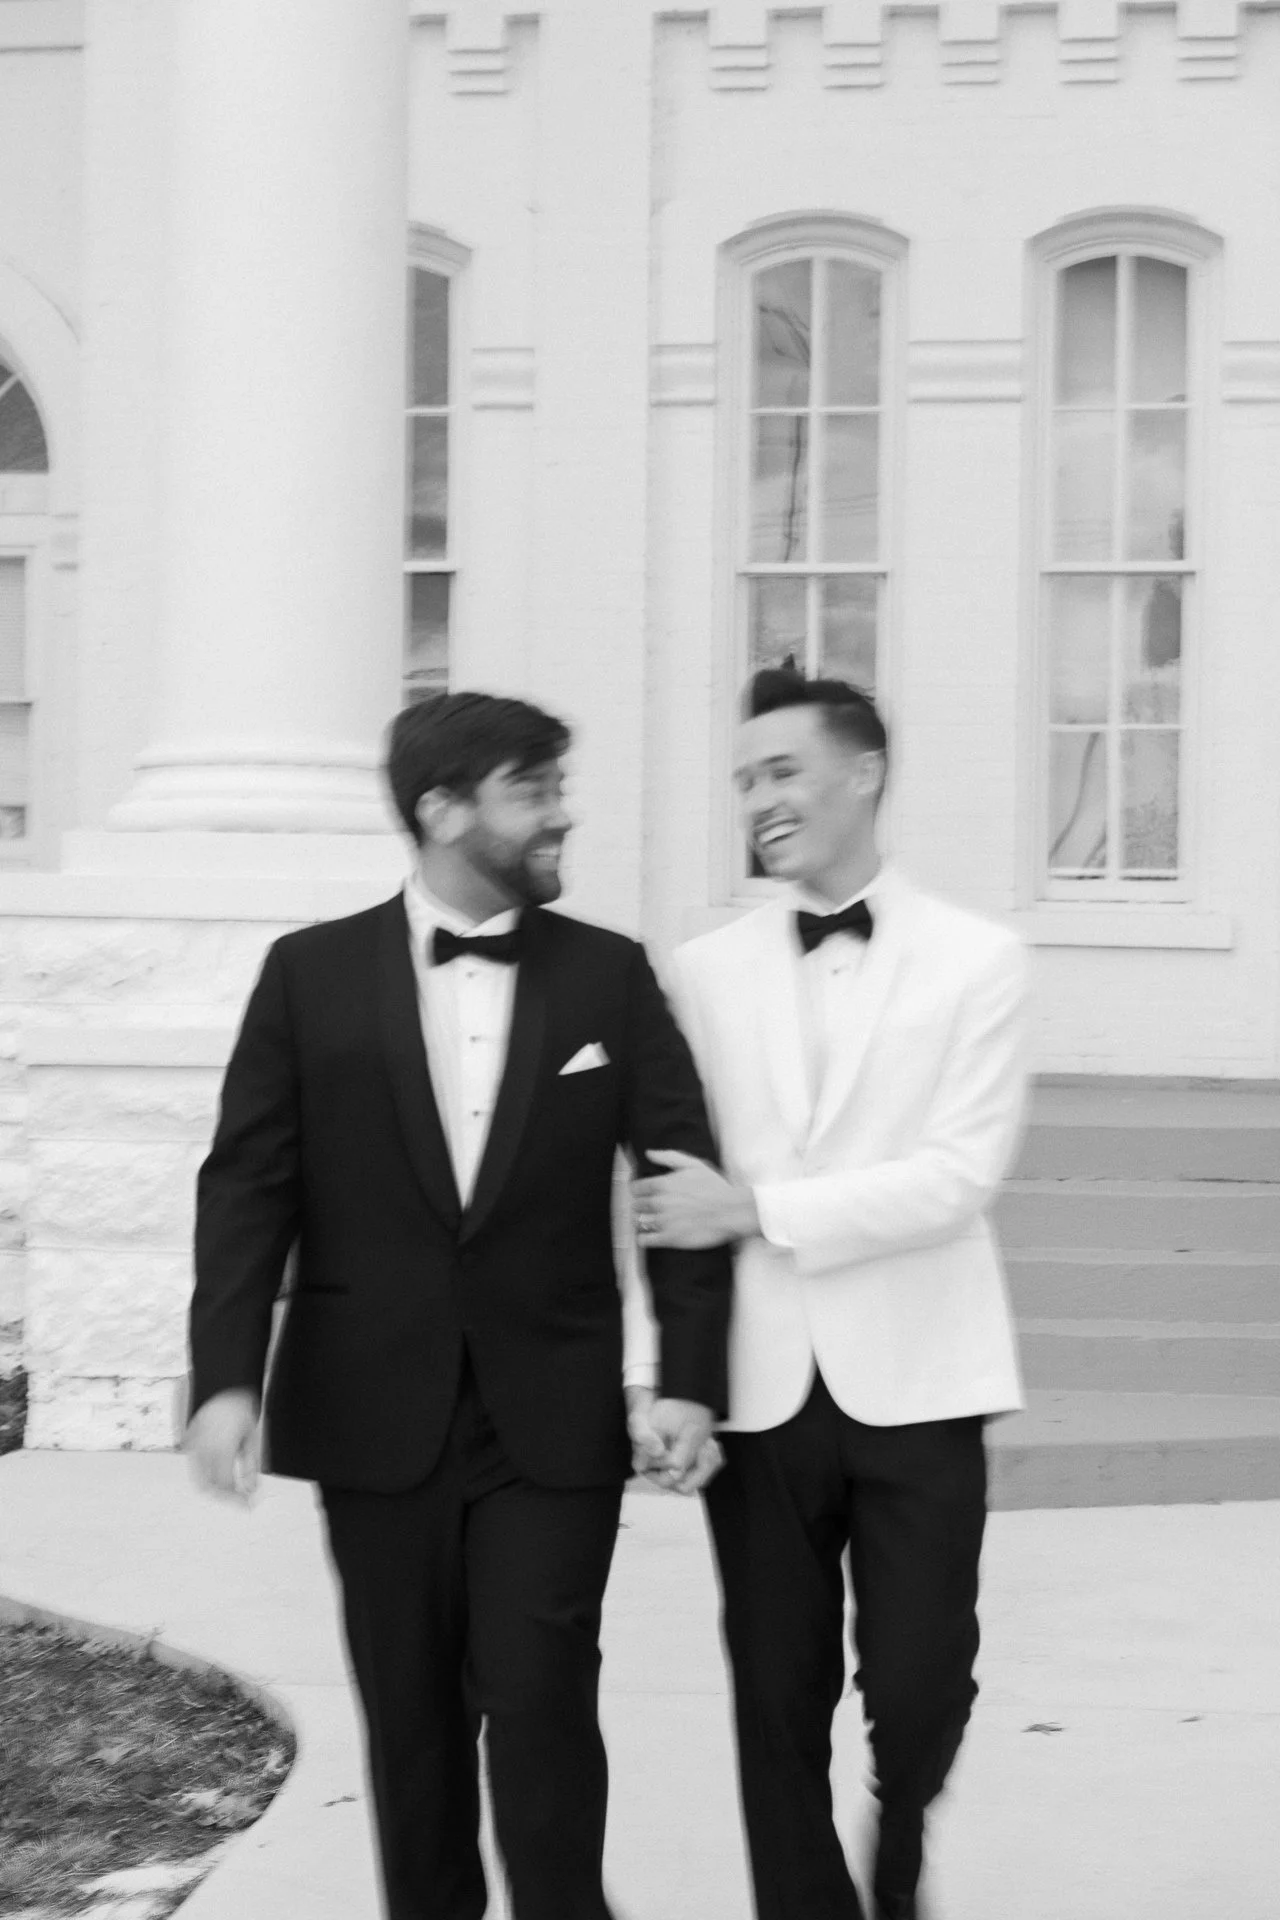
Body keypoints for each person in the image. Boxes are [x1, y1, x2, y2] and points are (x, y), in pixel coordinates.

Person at [185, 690, 731, 1920]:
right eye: (532, 789)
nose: (561, 814)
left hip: (551, 1418)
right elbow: (247, 1190)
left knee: (540, 1705)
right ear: (442, 811)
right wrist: (225, 1376)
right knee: (412, 1725)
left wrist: (688, 1374)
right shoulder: (307, 974)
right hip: (374, 1416)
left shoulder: (605, 973)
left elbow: (677, 1178)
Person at [634, 668, 1029, 1920]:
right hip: (759, 1388)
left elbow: (954, 1181)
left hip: (920, 1376)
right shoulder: (700, 971)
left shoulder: (979, 960)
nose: (757, 799)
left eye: (781, 771)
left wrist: (757, 1211)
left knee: (919, 1679)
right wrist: (671, 1374)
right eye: (744, 780)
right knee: (773, 1689)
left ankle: (900, 1836)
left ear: (862, 772)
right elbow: (668, 1198)